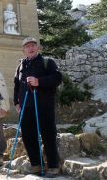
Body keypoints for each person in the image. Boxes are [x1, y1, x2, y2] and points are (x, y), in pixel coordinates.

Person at [13, 37, 62, 177]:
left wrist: (38, 82)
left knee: (48, 135)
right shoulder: (20, 66)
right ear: (24, 50)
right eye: (27, 46)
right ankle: (36, 164)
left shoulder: (48, 62)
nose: (30, 48)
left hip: (44, 106)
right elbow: (16, 86)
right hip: (25, 107)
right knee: (28, 136)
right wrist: (16, 103)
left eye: (33, 45)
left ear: (38, 48)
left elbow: (57, 78)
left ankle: (53, 166)